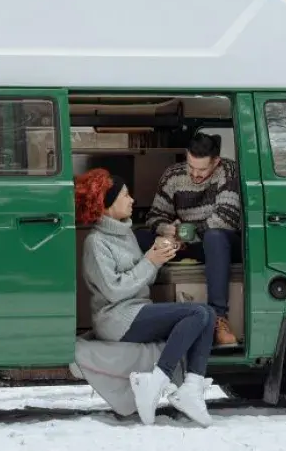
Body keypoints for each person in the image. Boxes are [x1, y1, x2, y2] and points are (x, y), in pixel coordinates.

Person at [75, 167, 216, 426]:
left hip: (137, 310)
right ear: (106, 204)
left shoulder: (125, 232)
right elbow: (114, 290)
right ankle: (157, 379)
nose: (132, 200)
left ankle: (191, 389)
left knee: (208, 313)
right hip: (116, 318)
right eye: (126, 196)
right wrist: (149, 261)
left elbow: (144, 277)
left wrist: (157, 254)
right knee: (197, 312)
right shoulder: (96, 243)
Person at [141, 132, 243, 346]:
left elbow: (226, 218)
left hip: (220, 243)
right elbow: (154, 216)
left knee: (215, 237)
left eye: (202, 169)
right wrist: (167, 229)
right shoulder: (173, 175)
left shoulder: (229, 170)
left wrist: (185, 234)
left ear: (216, 162)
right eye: (191, 167)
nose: (195, 174)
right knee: (139, 238)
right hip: (185, 242)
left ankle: (218, 320)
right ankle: (139, 312)